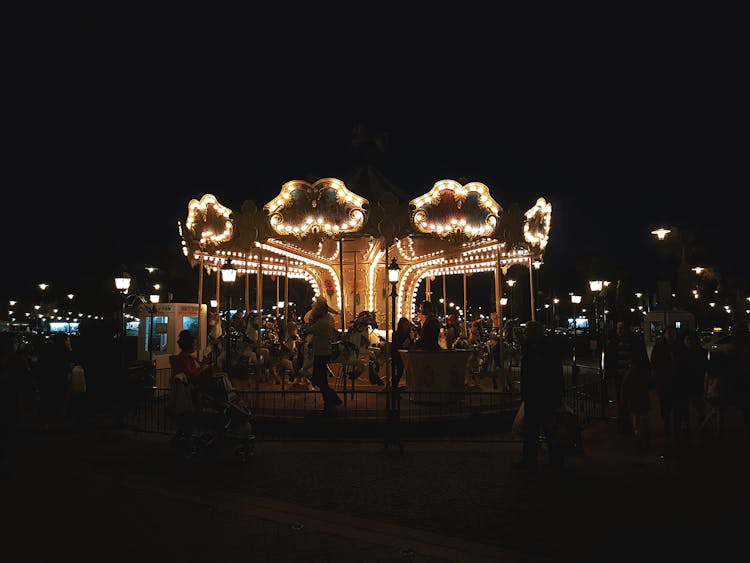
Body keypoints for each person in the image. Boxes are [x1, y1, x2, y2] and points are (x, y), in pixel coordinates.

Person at [512, 320, 564, 471]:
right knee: (535, 431)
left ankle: (550, 461)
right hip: (536, 396)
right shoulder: (535, 349)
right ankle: (533, 459)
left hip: (541, 396)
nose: (525, 335)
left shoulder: (543, 351)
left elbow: (553, 374)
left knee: (545, 431)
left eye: (527, 332)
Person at [604, 320, 650, 433]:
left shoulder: (634, 342)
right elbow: (609, 360)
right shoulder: (613, 343)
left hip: (633, 376)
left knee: (634, 400)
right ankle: (624, 424)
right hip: (620, 376)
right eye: (618, 328)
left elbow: (641, 358)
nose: (620, 331)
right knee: (621, 400)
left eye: (622, 328)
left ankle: (635, 424)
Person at [306, 296, 342, 415]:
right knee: (321, 380)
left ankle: (333, 400)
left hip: (320, 353)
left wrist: (310, 322)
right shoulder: (327, 320)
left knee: (319, 380)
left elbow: (308, 330)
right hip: (323, 351)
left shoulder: (321, 323)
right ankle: (330, 403)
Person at [651, 326, 682, 447]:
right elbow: (654, 364)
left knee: (677, 409)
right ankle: (667, 428)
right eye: (669, 333)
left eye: (673, 333)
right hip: (664, 384)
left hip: (677, 384)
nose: (671, 335)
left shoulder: (679, 347)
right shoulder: (659, 347)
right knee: (665, 409)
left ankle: (676, 432)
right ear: (664, 334)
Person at [678, 329, 708, 435]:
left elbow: (704, 368)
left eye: (691, 339)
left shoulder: (700, 353)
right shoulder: (681, 353)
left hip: (695, 383)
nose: (689, 342)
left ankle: (701, 422)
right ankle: (688, 424)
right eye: (687, 340)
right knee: (686, 406)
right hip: (686, 384)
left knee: (698, 404)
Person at [391, 317, 413, 389]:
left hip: (403, 354)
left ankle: (396, 386)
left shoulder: (406, 334)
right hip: (398, 355)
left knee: (402, 371)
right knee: (399, 371)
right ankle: (394, 387)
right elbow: (402, 345)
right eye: (405, 324)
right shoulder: (398, 335)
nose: (407, 326)